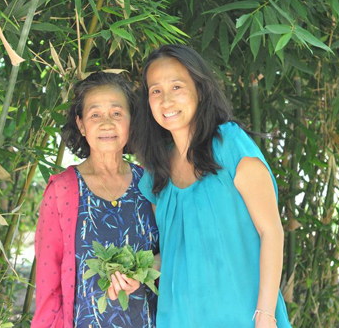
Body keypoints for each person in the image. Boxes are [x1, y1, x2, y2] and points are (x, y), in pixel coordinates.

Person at [133, 45, 292, 327]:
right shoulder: (158, 170)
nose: (166, 100)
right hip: (179, 317)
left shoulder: (231, 145)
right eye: (155, 90)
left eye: (177, 86)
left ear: (201, 90)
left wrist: (265, 315)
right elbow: (173, 253)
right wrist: (137, 273)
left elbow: (271, 231)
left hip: (244, 314)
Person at [31, 72, 159, 328]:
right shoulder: (62, 190)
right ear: (81, 125)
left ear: (131, 121)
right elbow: (48, 282)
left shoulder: (151, 184)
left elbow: (173, 252)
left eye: (116, 113)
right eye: (95, 115)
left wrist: (143, 273)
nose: (107, 123)